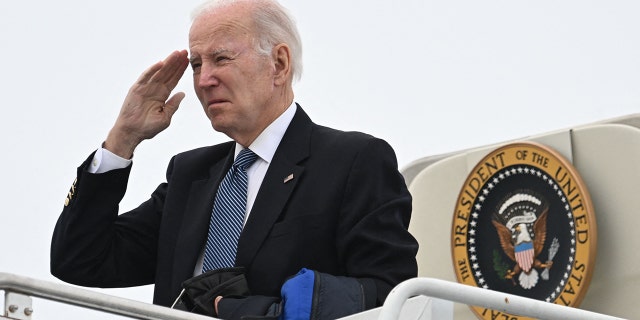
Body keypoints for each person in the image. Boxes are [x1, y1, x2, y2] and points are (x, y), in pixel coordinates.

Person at [50, 0, 418, 318]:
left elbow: (393, 297)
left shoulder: (352, 161)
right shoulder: (190, 175)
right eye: (196, 64)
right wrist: (122, 140)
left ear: (278, 63)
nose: (204, 80)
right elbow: (80, 260)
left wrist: (247, 312)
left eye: (221, 58)